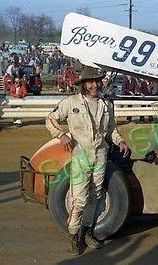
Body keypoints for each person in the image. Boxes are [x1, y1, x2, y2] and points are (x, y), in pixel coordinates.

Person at [45, 67, 129, 256]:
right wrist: (60, 134)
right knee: (80, 199)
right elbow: (50, 119)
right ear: (83, 84)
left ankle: (88, 232)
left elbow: (111, 129)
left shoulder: (106, 105)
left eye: (98, 81)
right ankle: (74, 237)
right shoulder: (71, 102)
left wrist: (120, 141)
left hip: (101, 155)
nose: (95, 85)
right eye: (91, 81)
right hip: (81, 155)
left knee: (96, 196)